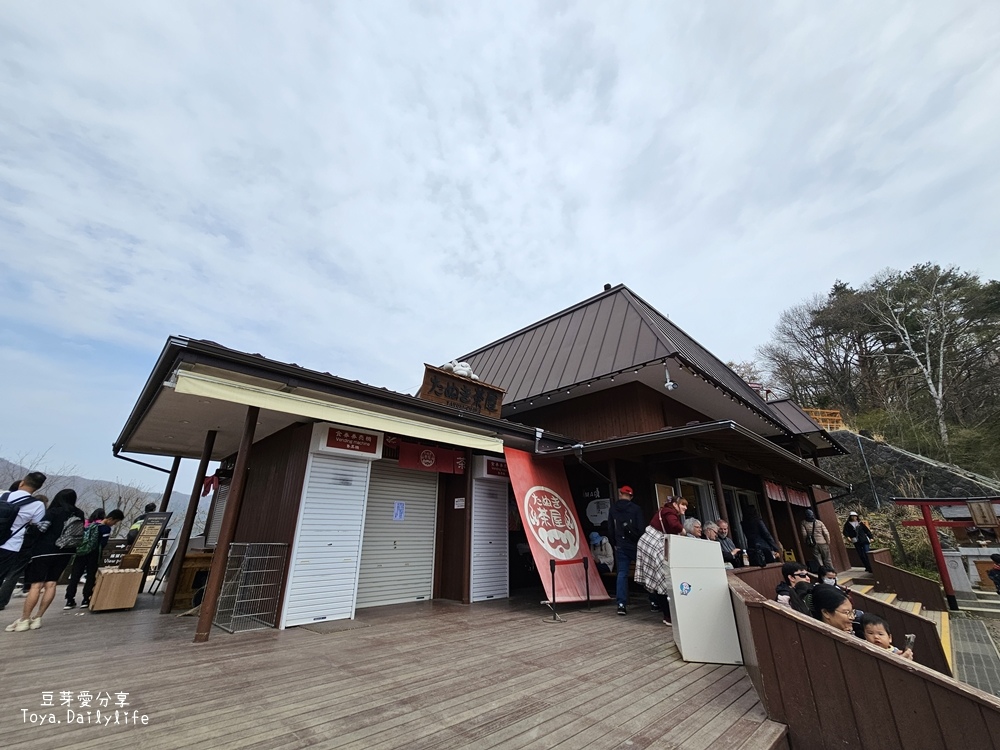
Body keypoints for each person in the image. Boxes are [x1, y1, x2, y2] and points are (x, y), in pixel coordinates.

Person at [6, 488, 85, 632]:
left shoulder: (53, 512)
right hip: (66, 551)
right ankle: (38, 618)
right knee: (51, 584)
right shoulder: (79, 514)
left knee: (36, 585)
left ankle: (24, 619)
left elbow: (41, 529)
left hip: (44, 551)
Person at [635, 495, 687, 625]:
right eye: (683, 504)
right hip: (654, 544)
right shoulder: (669, 512)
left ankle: (667, 614)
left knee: (659, 580)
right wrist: (683, 530)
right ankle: (668, 616)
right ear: (675, 504)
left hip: (647, 543)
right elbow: (673, 524)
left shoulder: (663, 511)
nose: (685, 507)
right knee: (663, 580)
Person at [0, 472, 47, 611]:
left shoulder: (4, 495)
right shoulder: (37, 505)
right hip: (11, 545)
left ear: (21, 482)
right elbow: (38, 525)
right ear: (37, 488)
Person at [64, 508, 125, 609]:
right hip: (94, 555)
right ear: (110, 519)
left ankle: (69, 600)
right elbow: (103, 544)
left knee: (75, 576)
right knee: (90, 576)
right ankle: (85, 599)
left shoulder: (89, 525)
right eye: (115, 521)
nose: (114, 524)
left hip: (80, 553)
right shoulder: (105, 529)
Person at [607, 485, 645, 617]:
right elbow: (641, 529)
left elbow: (610, 529)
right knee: (644, 571)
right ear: (631, 496)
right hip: (635, 545)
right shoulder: (636, 509)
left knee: (622, 574)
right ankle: (654, 601)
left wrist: (615, 543)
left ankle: (621, 604)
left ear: (620, 494)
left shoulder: (613, 509)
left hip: (621, 546)